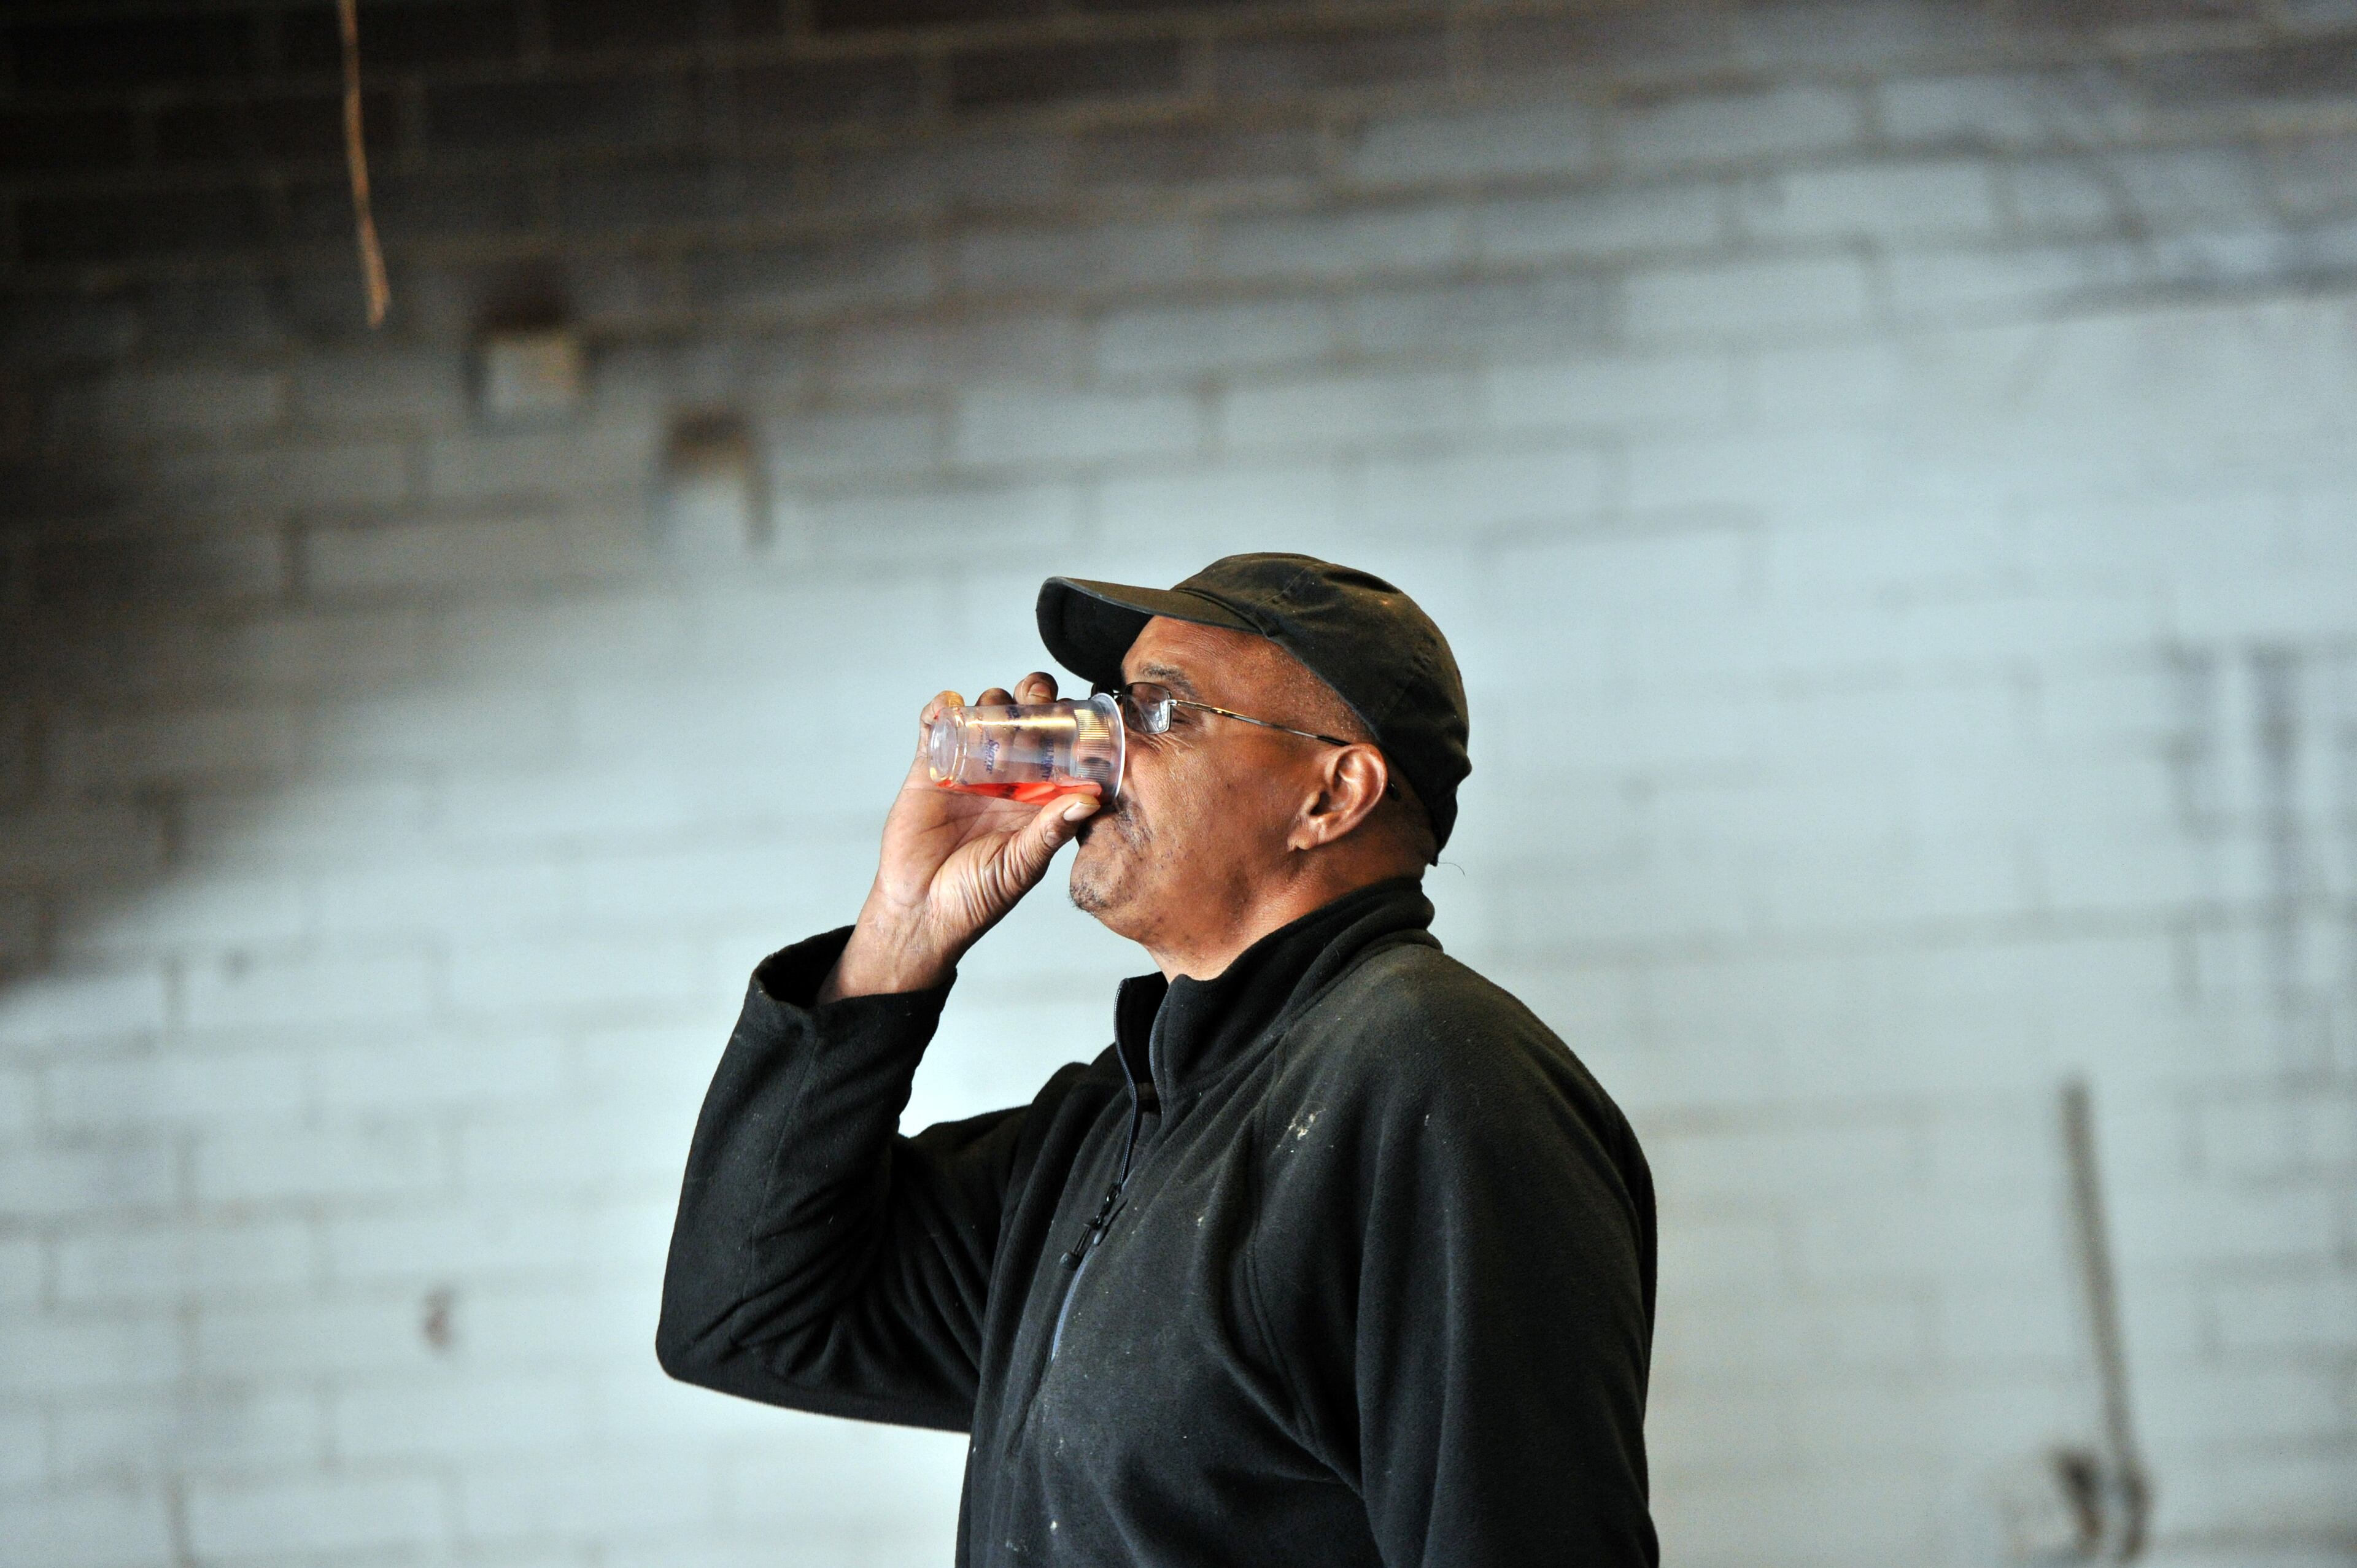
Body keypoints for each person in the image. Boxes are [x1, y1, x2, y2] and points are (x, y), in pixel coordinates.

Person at [657, 553, 1660, 1566]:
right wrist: (902, 929)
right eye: (1109, 706)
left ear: (1333, 794)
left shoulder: (1431, 1080)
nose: (1097, 752)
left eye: (1163, 712)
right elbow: (746, 1316)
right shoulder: (1117, 1125)